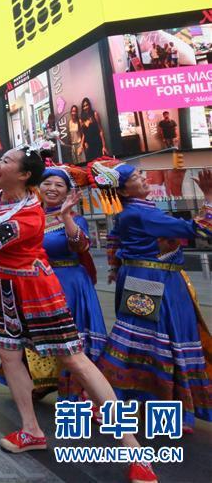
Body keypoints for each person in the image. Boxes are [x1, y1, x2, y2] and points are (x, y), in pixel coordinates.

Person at [0, 147, 156, 483]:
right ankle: (31, 430)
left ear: (24, 175)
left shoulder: (29, 213)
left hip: (35, 290)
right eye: (1, 158)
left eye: (6, 161)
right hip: (1, 288)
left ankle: (134, 449)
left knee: (75, 360)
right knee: (9, 357)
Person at [93, 159, 212, 432]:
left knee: (149, 339)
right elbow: (201, 229)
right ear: (123, 191)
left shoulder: (134, 211)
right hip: (152, 281)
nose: (145, 177)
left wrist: (115, 267)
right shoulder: (140, 213)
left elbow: (114, 239)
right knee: (152, 339)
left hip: (149, 279)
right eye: (137, 176)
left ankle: (145, 404)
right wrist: (208, 197)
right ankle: (136, 403)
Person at [0, 164, 108, 401]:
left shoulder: (76, 218)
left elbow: (80, 246)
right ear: (39, 187)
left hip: (69, 283)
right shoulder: (31, 215)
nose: (52, 188)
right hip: (36, 283)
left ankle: (78, 393)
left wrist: (66, 216)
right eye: (47, 183)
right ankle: (43, 381)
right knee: (36, 334)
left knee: (69, 342)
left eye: (59, 185)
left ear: (68, 192)